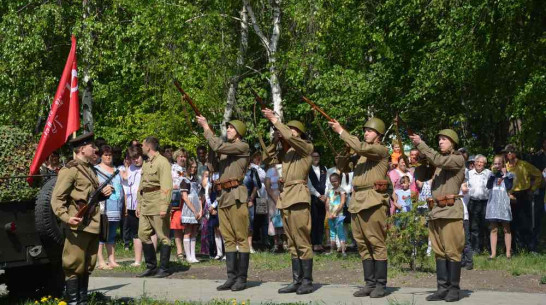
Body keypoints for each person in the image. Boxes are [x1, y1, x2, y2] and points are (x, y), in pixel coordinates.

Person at [329, 117, 390, 298]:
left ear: (378, 135)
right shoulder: (362, 155)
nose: (365, 133)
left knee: (376, 241)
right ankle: (369, 283)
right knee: (362, 243)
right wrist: (345, 152)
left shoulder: (380, 150)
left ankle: (380, 284)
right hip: (357, 200)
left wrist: (341, 131)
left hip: (373, 200)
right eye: (364, 131)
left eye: (369, 131)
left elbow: (362, 147)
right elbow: (342, 167)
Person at [51, 133, 113, 305]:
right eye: (91, 146)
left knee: (87, 265)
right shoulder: (70, 169)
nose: (95, 149)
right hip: (78, 226)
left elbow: (87, 197)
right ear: (81, 149)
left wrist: (102, 195)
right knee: (73, 265)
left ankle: (83, 301)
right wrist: (67, 218)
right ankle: (73, 302)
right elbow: (57, 199)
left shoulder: (90, 169)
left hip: (92, 224)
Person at [262, 110, 314, 295]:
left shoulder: (305, 147)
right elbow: (265, 158)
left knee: (302, 239)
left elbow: (294, 141)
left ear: (299, 133)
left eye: (292, 129)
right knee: (291, 241)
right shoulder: (286, 153)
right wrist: (275, 141)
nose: (289, 132)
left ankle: (307, 280)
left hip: (299, 195)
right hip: (286, 198)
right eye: (288, 129)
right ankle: (296, 280)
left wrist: (276, 121)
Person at [196, 115, 251, 291]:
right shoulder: (227, 151)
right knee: (228, 238)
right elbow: (212, 165)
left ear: (239, 133)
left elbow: (219, 145)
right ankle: (231, 277)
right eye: (227, 128)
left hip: (236, 195)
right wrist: (211, 148)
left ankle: (241, 279)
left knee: (241, 238)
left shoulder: (242, 146)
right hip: (224, 196)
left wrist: (206, 127)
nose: (227, 130)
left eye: (231, 128)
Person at [410, 129, 465, 302]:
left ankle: (454, 289)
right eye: (439, 139)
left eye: (444, 139)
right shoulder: (438, 165)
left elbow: (439, 160)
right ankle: (442, 288)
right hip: (435, 211)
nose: (440, 142)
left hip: (450, 211)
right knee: (439, 252)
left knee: (452, 251)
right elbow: (421, 176)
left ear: (453, 142)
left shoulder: (457, 158)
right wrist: (421, 161)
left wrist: (421, 144)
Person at [137, 136, 173, 278]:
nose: (141, 147)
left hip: (158, 202)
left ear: (148, 147)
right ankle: (151, 266)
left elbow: (166, 186)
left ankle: (163, 268)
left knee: (163, 236)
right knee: (142, 234)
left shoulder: (162, 162)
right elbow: (142, 185)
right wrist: (139, 203)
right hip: (146, 203)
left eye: (142, 145)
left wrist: (164, 206)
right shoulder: (146, 163)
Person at [504, 144, 542, 252]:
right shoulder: (505, 167)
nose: (509, 154)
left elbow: (539, 175)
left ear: (515, 153)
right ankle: (513, 248)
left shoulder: (524, 165)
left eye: (511, 152)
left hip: (524, 194)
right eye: (507, 152)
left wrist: (532, 189)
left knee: (525, 222)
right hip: (510, 195)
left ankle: (528, 247)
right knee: (511, 222)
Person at [95, 145, 124, 270]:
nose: (108, 157)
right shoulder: (96, 170)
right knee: (102, 234)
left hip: (116, 206)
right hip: (103, 207)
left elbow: (121, 188)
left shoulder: (116, 170)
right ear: (101, 156)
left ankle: (112, 259)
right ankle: (101, 261)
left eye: (110, 154)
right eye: (106, 154)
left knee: (111, 234)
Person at [486, 154, 514, 259]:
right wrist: (493, 175)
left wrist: (505, 174)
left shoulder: (509, 175)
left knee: (506, 228)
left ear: (503, 164)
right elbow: (488, 186)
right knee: (493, 229)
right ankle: (493, 254)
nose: (497, 165)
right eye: (495, 163)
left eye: (499, 163)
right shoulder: (492, 175)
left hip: (504, 204)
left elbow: (509, 186)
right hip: (493, 203)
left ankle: (508, 253)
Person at [462, 154, 491, 253]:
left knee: (486, 226)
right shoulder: (469, 174)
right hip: (473, 202)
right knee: (474, 227)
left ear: (485, 164)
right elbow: (463, 184)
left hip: (486, 202)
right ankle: (476, 249)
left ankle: (487, 248)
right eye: (477, 162)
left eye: (481, 162)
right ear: (474, 163)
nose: (479, 164)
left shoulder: (489, 173)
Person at [180, 159, 202, 263]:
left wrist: (200, 210)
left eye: (195, 167)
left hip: (197, 206)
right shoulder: (185, 180)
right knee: (188, 231)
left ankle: (193, 255)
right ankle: (188, 256)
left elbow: (200, 196)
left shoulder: (197, 180)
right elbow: (185, 197)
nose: (193, 169)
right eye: (191, 167)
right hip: (189, 208)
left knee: (194, 231)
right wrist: (194, 210)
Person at [307, 151, 328, 252]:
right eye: (314, 156)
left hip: (323, 198)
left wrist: (325, 195)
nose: (316, 158)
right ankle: (314, 243)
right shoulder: (307, 169)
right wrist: (319, 195)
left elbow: (328, 183)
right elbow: (309, 185)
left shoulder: (324, 168)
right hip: (313, 197)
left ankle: (319, 242)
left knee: (321, 220)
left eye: (317, 156)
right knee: (314, 220)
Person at [171, 148, 188, 262]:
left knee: (186, 225)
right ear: (176, 157)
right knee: (177, 226)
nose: (182, 158)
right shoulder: (173, 168)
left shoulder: (187, 169)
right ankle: (179, 251)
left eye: (184, 156)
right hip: (177, 199)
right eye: (180, 156)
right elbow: (176, 182)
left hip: (187, 199)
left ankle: (187, 251)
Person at [325, 173, 347, 257]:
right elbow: (327, 202)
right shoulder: (329, 191)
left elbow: (342, 202)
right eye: (332, 181)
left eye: (335, 181)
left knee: (340, 232)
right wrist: (328, 213)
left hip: (339, 215)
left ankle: (343, 251)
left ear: (339, 181)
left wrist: (336, 213)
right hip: (330, 215)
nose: (333, 183)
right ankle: (332, 250)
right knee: (332, 232)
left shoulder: (342, 190)